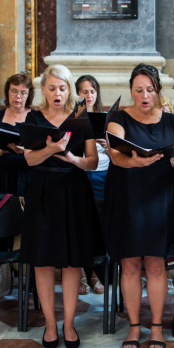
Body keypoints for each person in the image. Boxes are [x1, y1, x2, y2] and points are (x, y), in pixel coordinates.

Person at [105, 64, 174, 348]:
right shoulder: (118, 118)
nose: (144, 95)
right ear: (131, 91)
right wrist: (134, 162)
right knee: (130, 264)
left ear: (158, 92)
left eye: (150, 90)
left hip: (160, 198)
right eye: (139, 90)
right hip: (128, 198)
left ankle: (156, 326)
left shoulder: (170, 121)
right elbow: (115, 155)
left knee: (155, 264)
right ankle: (133, 325)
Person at [21, 65, 101, 348]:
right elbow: (30, 159)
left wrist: (72, 158)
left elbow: (92, 162)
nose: (57, 93)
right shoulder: (33, 118)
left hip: (73, 189)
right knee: (42, 261)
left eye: (62, 88)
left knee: (72, 261)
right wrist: (51, 150)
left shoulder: (81, 117)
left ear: (70, 90)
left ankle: (68, 324)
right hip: (42, 190)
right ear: (43, 89)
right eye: (52, 87)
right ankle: (50, 324)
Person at [76, 74, 107, 295]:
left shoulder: (106, 118)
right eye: (84, 91)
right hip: (82, 172)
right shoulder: (73, 117)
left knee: (100, 226)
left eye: (92, 91)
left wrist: (107, 144)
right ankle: (80, 273)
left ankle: (96, 273)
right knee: (80, 224)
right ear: (77, 94)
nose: (89, 95)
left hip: (104, 173)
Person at [0, 73, 33, 197]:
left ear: (29, 95)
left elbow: (41, 150)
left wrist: (25, 150)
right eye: (14, 91)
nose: (18, 96)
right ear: (7, 91)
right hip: (1, 174)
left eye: (23, 93)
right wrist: (3, 150)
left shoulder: (35, 116)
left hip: (26, 173)